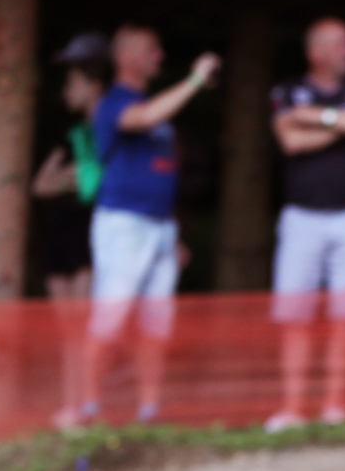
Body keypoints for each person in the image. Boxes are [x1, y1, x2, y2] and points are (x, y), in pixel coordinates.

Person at [77, 25, 218, 428]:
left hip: (158, 226)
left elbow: (162, 170)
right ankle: (88, 408)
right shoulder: (114, 102)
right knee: (111, 316)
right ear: (125, 58)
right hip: (124, 224)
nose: (159, 56)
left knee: (156, 323)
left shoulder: (149, 105)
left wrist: (173, 233)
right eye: (151, 50)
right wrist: (194, 80)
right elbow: (146, 117)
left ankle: (149, 410)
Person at [264, 18, 345, 431]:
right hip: (301, 217)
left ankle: (335, 405)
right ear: (315, 52)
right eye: (340, 43)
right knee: (294, 315)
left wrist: (319, 118)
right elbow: (291, 140)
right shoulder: (287, 91)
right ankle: (293, 407)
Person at [35, 33, 108, 429]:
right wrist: (72, 177)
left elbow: (100, 181)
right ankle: (70, 404)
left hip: (89, 232)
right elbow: (41, 184)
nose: (66, 92)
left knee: (85, 325)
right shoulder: (73, 135)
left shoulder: (114, 129)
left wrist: (80, 177)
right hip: (59, 232)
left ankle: (88, 403)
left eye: (73, 83)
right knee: (66, 330)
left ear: (94, 85)